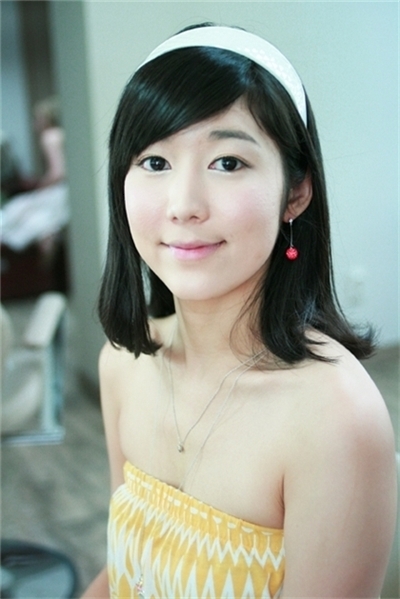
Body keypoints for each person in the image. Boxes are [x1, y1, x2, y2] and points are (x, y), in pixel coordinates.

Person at [82, 23, 396, 599]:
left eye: (227, 162)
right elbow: (124, 571)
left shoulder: (335, 419)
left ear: (295, 193)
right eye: (154, 162)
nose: (184, 205)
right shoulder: (123, 363)